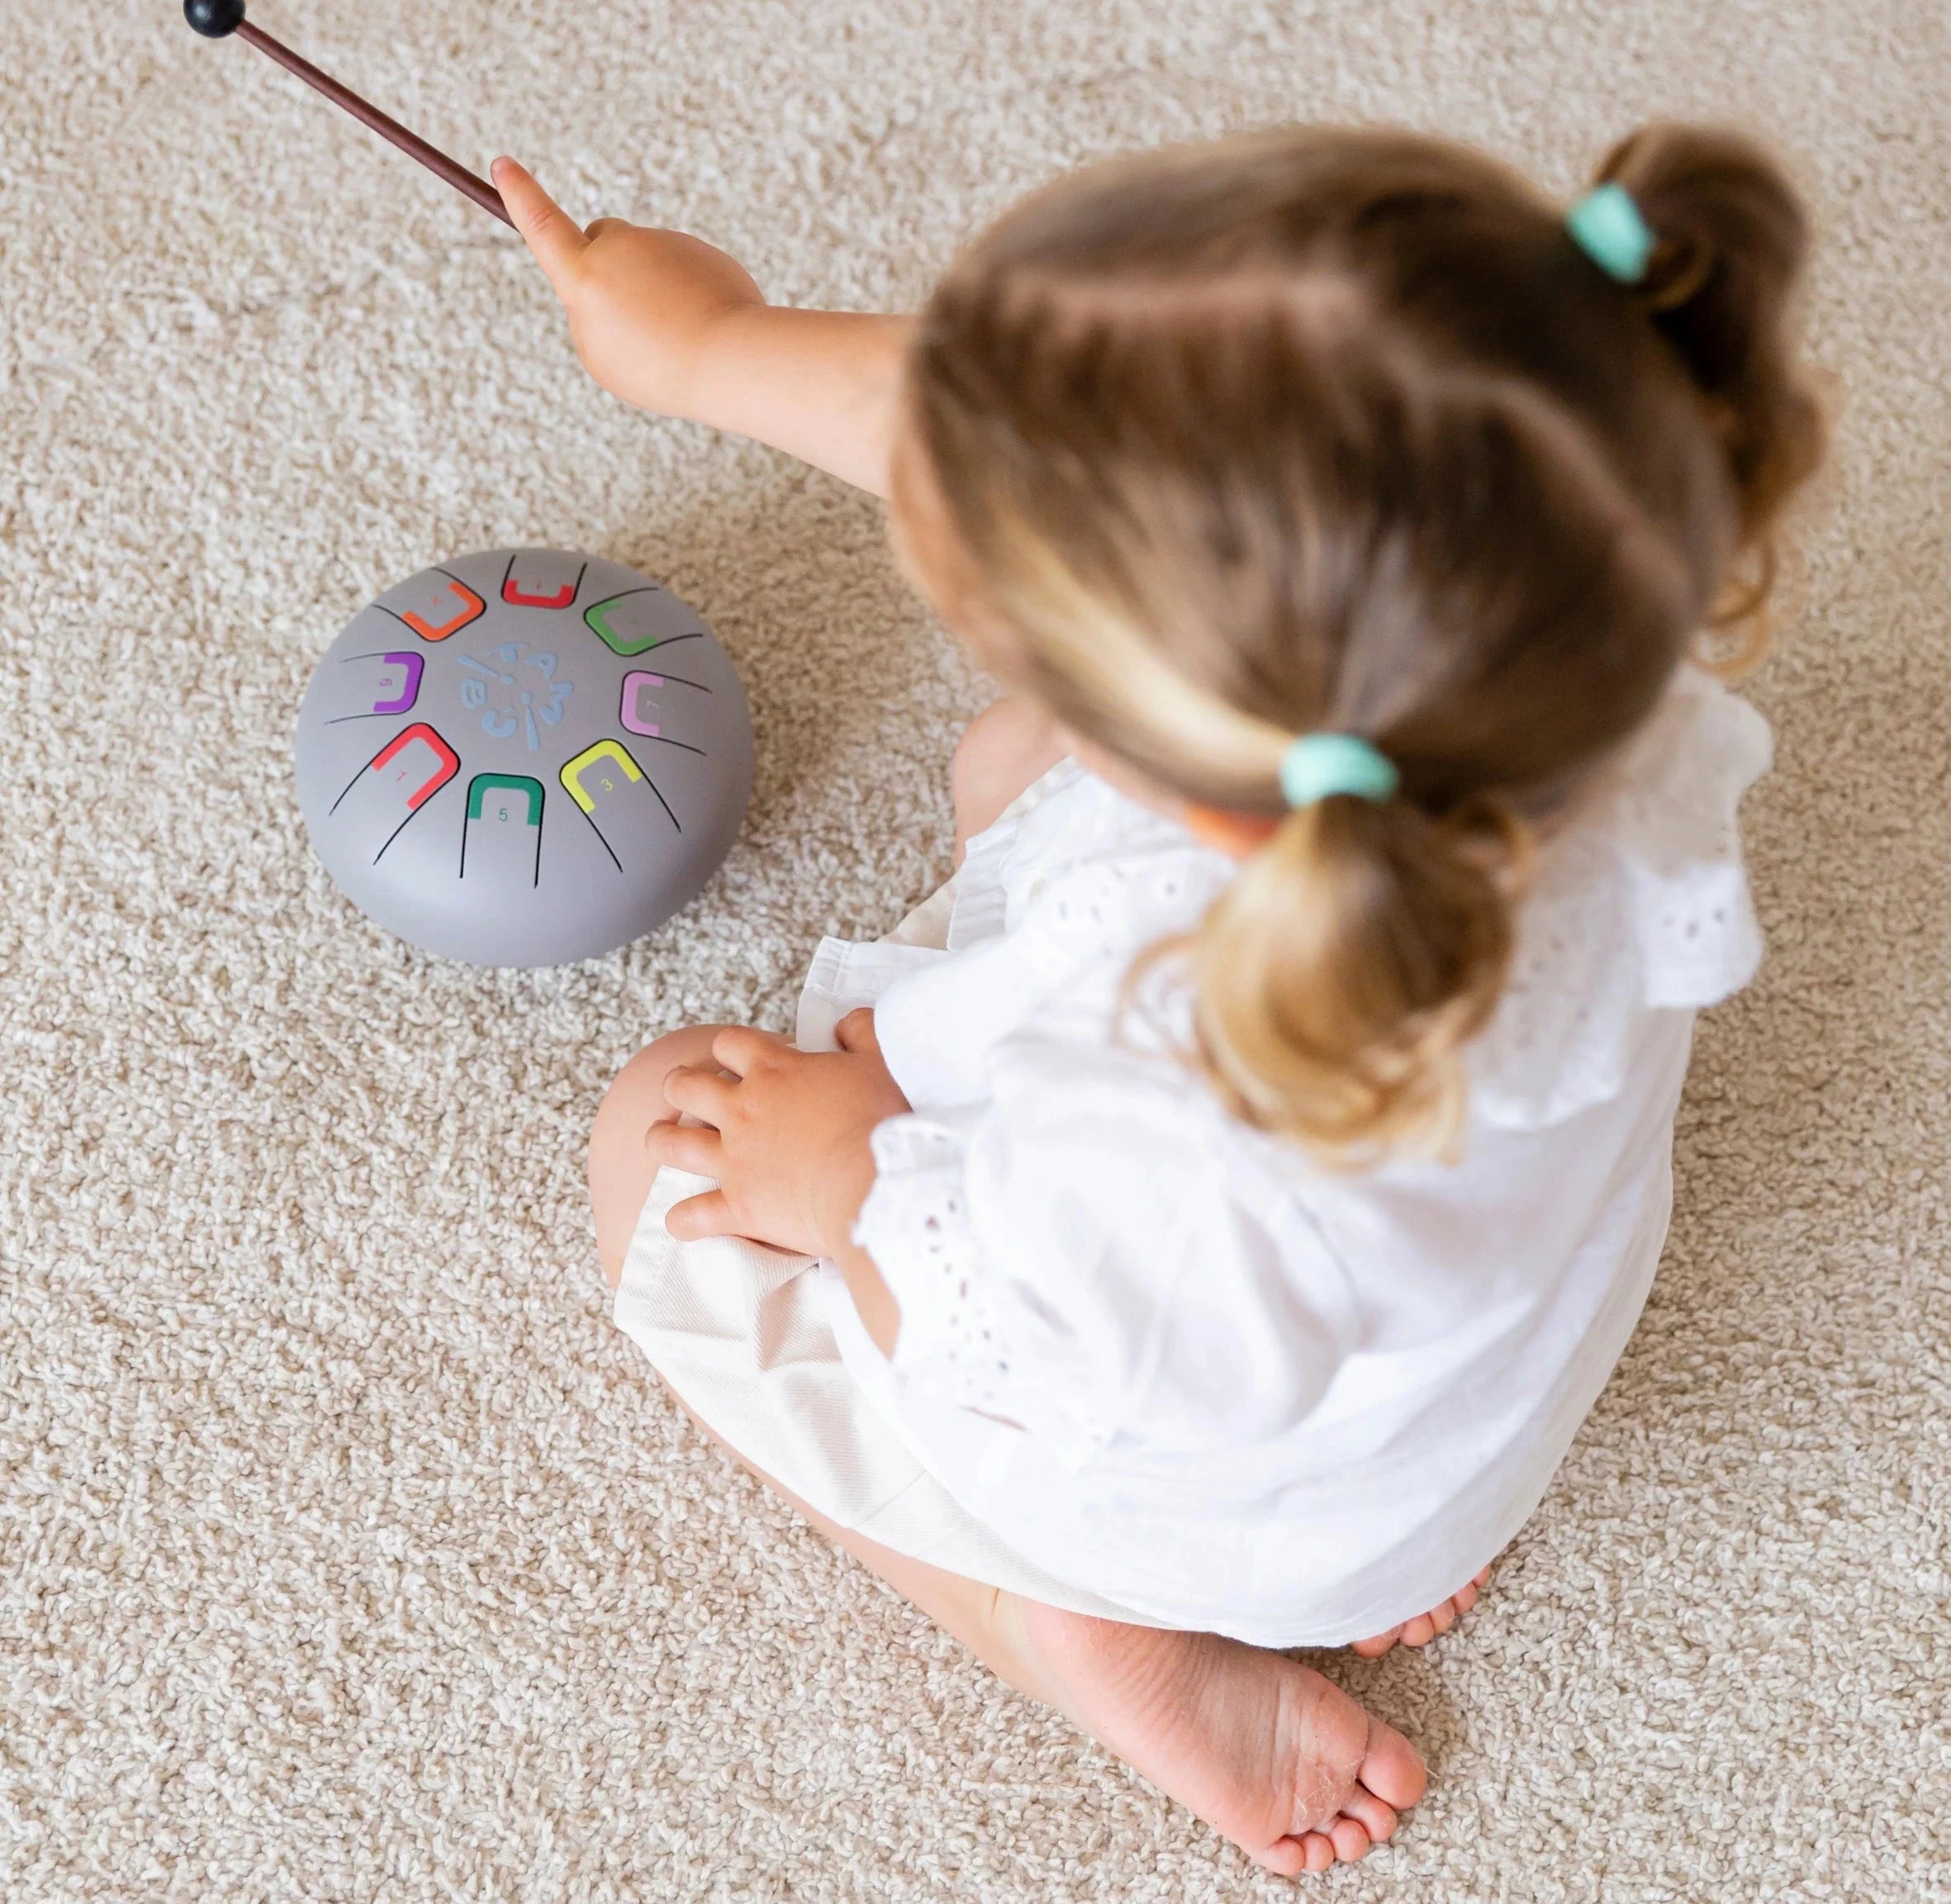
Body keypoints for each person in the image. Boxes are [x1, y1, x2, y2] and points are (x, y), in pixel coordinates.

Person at [491, 121, 1824, 1875]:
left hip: (1210, 1466)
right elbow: (1081, 477)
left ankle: (1078, 1627)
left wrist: (853, 1170)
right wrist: (714, 348)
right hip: (1444, 1401)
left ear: (1197, 782)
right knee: (1002, 759)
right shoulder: (1567, 665)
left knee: (652, 1149)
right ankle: (1335, 1534)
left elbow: (1043, 1356)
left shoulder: (1185, 1094)